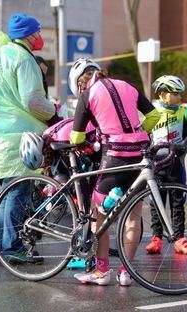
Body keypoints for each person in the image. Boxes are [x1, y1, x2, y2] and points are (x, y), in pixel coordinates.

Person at [0, 13, 58, 263]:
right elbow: (32, 100)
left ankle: (1, 242)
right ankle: (12, 247)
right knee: (18, 191)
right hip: (13, 134)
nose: (40, 36)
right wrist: (55, 116)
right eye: (38, 32)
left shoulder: (2, 54)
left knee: (7, 191)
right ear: (29, 34)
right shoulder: (23, 58)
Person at [68, 59, 160, 286]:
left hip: (114, 159)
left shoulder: (87, 95)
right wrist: (137, 131)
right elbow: (155, 116)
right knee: (133, 217)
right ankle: (126, 273)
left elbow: (77, 137)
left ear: (82, 81)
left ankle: (101, 272)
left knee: (97, 216)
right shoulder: (128, 86)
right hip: (138, 155)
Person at [144, 75, 187, 255]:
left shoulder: (183, 112)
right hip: (156, 164)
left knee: (177, 200)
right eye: (176, 94)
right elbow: (143, 134)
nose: (180, 97)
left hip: (175, 163)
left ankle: (179, 238)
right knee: (156, 201)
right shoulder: (153, 112)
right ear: (164, 94)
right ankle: (156, 237)